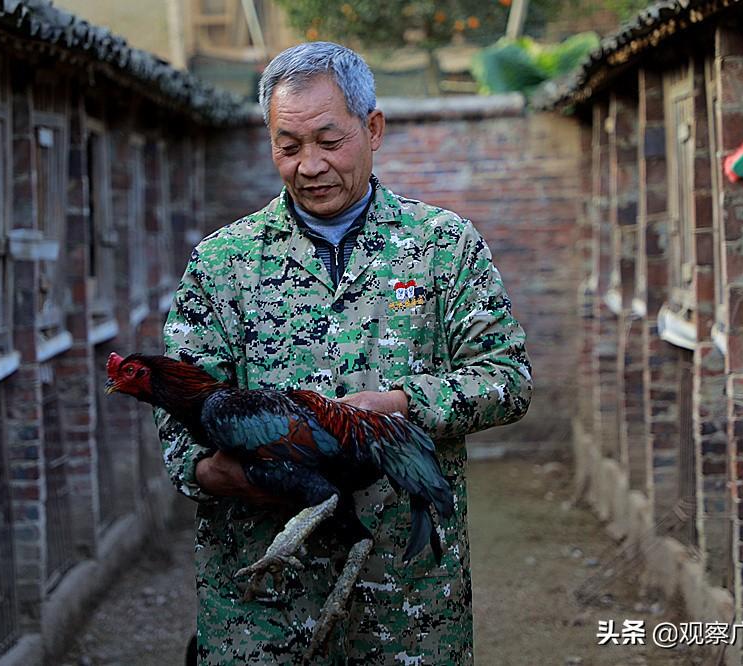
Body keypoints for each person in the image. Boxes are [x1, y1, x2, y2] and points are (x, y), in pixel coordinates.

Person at [154, 41, 532, 665]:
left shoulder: (442, 246)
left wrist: (405, 404)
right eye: (289, 145)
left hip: (406, 597)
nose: (309, 165)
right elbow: (178, 410)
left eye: (329, 142)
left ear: (373, 128)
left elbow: (508, 378)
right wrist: (210, 472)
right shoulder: (224, 262)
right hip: (262, 594)